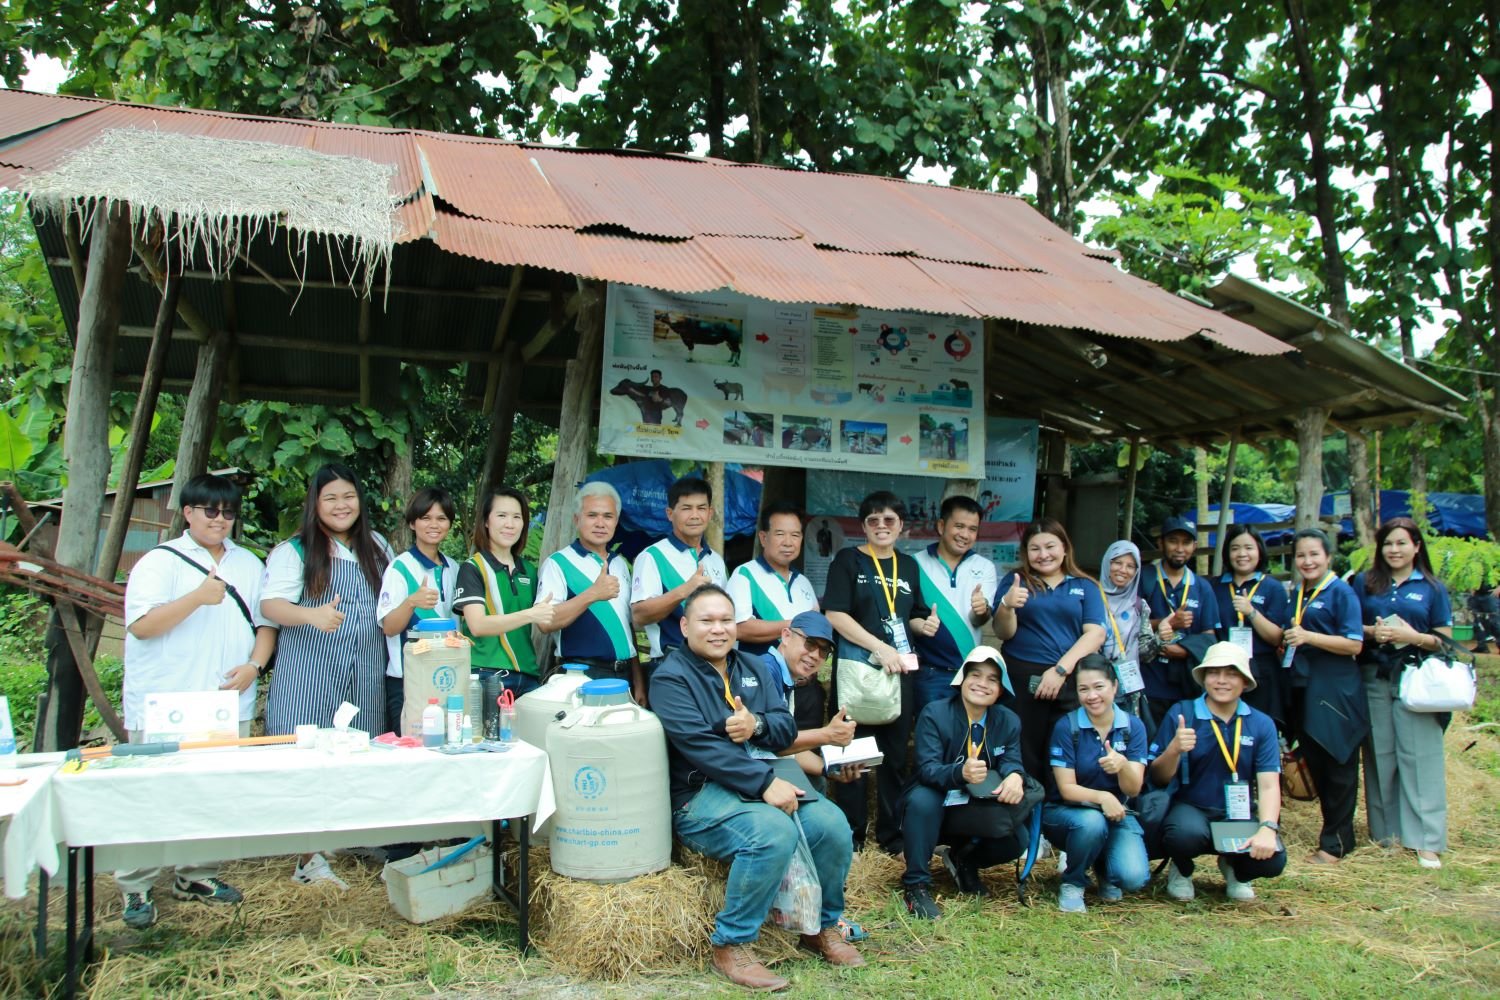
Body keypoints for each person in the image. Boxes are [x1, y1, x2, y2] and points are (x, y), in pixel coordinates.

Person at [651, 586, 863, 990]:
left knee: (833, 824)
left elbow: (783, 728)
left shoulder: (751, 666)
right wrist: (765, 782)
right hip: (702, 794)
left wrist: (758, 725)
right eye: (706, 621)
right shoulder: (671, 677)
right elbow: (701, 748)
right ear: (684, 626)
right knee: (772, 832)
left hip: (764, 779)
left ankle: (820, 925)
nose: (718, 629)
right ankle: (732, 943)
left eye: (725, 620)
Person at [115, 474, 278, 928]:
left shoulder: (248, 563)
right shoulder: (158, 562)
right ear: (188, 513)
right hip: (165, 698)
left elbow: (265, 624)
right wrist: (198, 597)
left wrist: (255, 667)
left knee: (212, 793)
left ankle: (198, 875)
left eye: (228, 513)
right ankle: (136, 885)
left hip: (225, 700)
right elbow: (142, 626)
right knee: (149, 793)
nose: (221, 520)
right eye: (211, 511)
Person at [261, 463, 393, 887]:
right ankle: (308, 858)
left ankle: (353, 836)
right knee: (307, 756)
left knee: (361, 750)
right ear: (315, 504)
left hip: (365, 670)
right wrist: (309, 614)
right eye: (330, 497)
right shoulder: (296, 550)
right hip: (309, 673)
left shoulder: (376, 546)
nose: (341, 505)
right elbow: (271, 606)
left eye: (348, 496)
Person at [822, 490, 934, 854]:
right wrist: (878, 647)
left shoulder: (909, 566)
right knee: (852, 754)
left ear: (901, 526)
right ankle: (852, 837)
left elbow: (910, 615)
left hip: (898, 673)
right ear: (864, 526)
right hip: (858, 672)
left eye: (889, 520)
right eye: (873, 520)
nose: (881, 526)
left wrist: (923, 625)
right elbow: (835, 615)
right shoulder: (848, 561)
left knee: (896, 757)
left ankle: (891, 837)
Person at [1148, 641, 1286, 901]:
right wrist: (1174, 750)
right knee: (1182, 835)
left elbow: (1269, 785)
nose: (1221, 681)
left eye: (1231, 673)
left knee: (1272, 860)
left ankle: (1236, 869)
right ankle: (1182, 868)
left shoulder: (1261, 723)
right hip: (1190, 808)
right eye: (1214, 673)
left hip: (1238, 812)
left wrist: (1268, 827)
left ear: (1245, 681)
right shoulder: (1183, 714)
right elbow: (1157, 777)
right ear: (1203, 678)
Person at [900, 646, 1030, 919]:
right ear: (962, 678)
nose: (982, 684)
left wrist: (1015, 776)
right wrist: (960, 773)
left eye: (992, 679)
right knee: (922, 800)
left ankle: (964, 860)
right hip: (937, 800)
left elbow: (1012, 759)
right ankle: (916, 885)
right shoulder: (935, 713)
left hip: (973, 805)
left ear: (1001, 688)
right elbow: (927, 769)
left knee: (1017, 838)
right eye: (976, 675)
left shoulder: (1008, 721)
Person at [1354, 517, 1454, 869]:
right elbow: (1349, 628)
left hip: (1416, 679)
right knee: (1381, 757)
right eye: (1387, 544)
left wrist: (1413, 637)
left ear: (1416, 546)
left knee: (1419, 757)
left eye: (1401, 543)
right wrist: (1373, 632)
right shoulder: (1364, 584)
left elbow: (1444, 641)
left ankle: (1426, 840)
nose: (1394, 550)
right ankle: (1386, 836)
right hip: (1374, 676)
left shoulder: (1432, 588)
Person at [990, 518, 1106, 781]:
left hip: (1069, 677)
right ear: (1026, 553)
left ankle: (1057, 814)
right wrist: (1007, 606)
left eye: (1050, 546)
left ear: (1065, 548)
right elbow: (1003, 632)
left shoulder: (1086, 585)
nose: (1043, 555)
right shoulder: (1016, 580)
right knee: (1022, 749)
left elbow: (1096, 634)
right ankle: (1024, 810)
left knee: (1063, 751)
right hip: (1021, 679)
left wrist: (1061, 670)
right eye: (1035, 548)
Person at [1283, 528, 1366, 865]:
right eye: (1301, 555)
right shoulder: (1299, 593)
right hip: (1305, 688)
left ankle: (1336, 844)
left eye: (1314, 554)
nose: (1307, 561)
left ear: (1328, 557)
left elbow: (1354, 644)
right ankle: (1332, 834)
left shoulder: (1341, 593)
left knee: (1338, 764)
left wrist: (1308, 637)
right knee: (1315, 760)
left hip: (1335, 689)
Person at [1043, 654, 1150, 913]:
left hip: (1116, 815)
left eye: (1099, 687)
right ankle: (1073, 882)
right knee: (1091, 823)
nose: (1092, 696)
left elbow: (1133, 789)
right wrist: (1103, 797)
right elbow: (1067, 789)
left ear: (1114, 687)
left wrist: (1123, 766)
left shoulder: (1133, 727)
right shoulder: (1066, 726)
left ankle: (1104, 869)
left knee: (1133, 877)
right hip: (1069, 813)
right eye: (1083, 689)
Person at [536, 482, 638, 694]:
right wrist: (593, 593)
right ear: (577, 519)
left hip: (624, 674)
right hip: (580, 673)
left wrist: (639, 680)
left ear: (616, 521)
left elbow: (627, 627)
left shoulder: (619, 563)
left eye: (608, 516)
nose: (600, 523)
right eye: (592, 515)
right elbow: (544, 622)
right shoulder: (559, 563)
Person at [453, 487, 555, 698]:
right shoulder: (472, 568)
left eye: (517, 517)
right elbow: (478, 625)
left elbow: (546, 623)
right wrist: (530, 615)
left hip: (528, 678)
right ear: (486, 521)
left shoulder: (529, 570)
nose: (510, 524)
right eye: (502, 515)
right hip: (486, 677)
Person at [376, 487, 460, 733]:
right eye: (425, 518)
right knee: (409, 756)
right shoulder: (399, 568)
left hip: (447, 678)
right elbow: (389, 627)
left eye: (441, 518)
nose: (433, 524)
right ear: (412, 523)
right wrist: (411, 602)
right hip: (407, 682)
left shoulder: (453, 567)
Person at [631, 476, 728, 688]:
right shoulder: (652, 556)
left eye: (701, 508)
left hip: (714, 665)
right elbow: (639, 615)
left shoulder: (716, 560)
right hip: (671, 664)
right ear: (670, 514)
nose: (695, 515)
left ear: (710, 513)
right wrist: (684, 590)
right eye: (686, 508)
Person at [911, 495, 998, 715]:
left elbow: (980, 620)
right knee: (930, 741)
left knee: (967, 741)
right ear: (941, 526)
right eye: (959, 526)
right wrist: (921, 625)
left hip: (970, 673)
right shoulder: (914, 564)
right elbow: (906, 616)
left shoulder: (985, 567)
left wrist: (982, 610)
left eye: (972, 529)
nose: (965, 535)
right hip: (928, 674)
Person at [1140, 516, 1223, 725]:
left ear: (1194, 546)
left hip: (1188, 682)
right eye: (1173, 541)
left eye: (1186, 543)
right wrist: (1166, 624)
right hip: (1149, 679)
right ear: (1160, 543)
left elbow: (1209, 639)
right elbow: (1124, 625)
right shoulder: (1144, 578)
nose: (1179, 548)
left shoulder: (1202, 587)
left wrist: (1183, 651)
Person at [762, 611, 859, 781]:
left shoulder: (784, 674)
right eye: (810, 643)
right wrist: (827, 735)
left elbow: (785, 744)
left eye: (824, 650)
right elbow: (773, 743)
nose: (815, 655)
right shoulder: (765, 671)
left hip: (768, 767)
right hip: (748, 773)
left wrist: (828, 769)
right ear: (786, 636)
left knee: (819, 781)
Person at [1208, 525, 1289, 728]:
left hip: (1262, 671)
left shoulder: (1273, 588)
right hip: (1223, 671)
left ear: (1259, 551)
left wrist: (1251, 612)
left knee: (1260, 729)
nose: (1242, 554)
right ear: (1227, 553)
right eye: (1235, 548)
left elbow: (1277, 638)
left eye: (1249, 548)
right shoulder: (1213, 587)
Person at [726, 500, 819, 657]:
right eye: (780, 534)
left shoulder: (803, 582)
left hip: (799, 679)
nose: (788, 542)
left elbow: (815, 632)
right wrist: (794, 625)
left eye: (795, 535)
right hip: (756, 675)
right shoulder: (744, 575)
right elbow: (738, 629)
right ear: (763, 538)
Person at [1097, 540, 1149, 724]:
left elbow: (1145, 652)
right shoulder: (1090, 597)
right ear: (1107, 563)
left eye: (1130, 566)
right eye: (1117, 563)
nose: (1123, 570)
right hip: (1093, 685)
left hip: (1127, 689)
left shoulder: (1139, 606)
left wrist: (1162, 639)